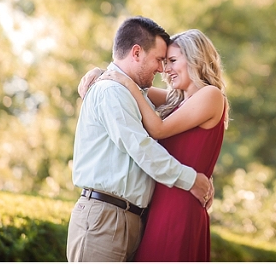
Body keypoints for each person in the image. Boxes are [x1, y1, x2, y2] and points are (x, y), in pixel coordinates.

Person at [67, 17, 214, 262]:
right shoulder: (111, 91)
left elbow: (188, 120)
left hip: (131, 219)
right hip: (104, 218)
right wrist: (192, 180)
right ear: (136, 52)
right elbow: (143, 148)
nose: (161, 69)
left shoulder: (135, 93)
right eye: (159, 60)